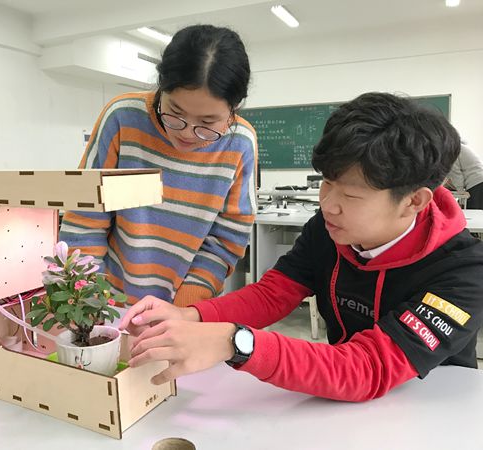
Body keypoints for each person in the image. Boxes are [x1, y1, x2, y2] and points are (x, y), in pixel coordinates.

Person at [119, 92, 483, 402]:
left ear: (413, 201)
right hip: (338, 398)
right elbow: (274, 293)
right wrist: (191, 316)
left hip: (432, 405)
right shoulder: (331, 229)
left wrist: (237, 342)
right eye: (327, 183)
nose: (328, 204)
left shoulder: (464, 272)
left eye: (351, 195)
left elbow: (367, 368)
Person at [59, 25, 257, 307]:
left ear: (234, 109)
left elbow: (225, 241)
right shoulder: (123, 118)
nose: (187, 133)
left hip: (186, 308)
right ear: (161, 86)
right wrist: (91, 301)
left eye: (207, 122)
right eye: (175, 112)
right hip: (109, 298)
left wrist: (183, 311)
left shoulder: (240, 143)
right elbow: (85, 217)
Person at [445, 143, 483, 209]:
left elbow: (456, 174)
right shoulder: (459, 147)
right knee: (477, 212)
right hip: (479, 180)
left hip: (476, 183)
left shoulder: (450, 150)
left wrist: (461, 193)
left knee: (472, 212)